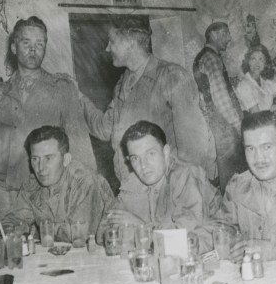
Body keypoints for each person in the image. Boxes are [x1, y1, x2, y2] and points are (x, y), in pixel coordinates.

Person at [0, 16, 96, 227]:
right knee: (7, 252)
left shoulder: (61, 89)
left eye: (39, 44)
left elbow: (80, 144)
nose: (33, 50)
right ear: (13, 47)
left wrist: (87, 192)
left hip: (42, 192)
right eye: (26, 43)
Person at [82, 15, 210, 185]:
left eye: (112, 41)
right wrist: (79, 99)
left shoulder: (172, 76)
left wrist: (174, 190)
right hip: (131, 189)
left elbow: (194, 149)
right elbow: (105, 129)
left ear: (130, 43)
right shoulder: (122, 84)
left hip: (165, 189)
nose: (107, 48)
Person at [97, 121, 221, 251]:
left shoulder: (186, 176)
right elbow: (102, 234)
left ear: (166, 152)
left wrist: (141, 228)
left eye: (150, 154)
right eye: (135, 158)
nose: (143, 166)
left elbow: (184, 239)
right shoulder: (133, 183)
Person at [215, 111, 276, 262]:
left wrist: (270, 251)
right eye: (250, 149)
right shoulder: (238, 187)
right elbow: (221, 227)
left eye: (267, 147)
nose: (258, 158)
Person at [2, 126, 114, 243]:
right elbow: (13, 219)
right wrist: (9, 229)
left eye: (48, 158)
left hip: (95, 252)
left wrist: (36, 232)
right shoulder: (32, 183)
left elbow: (78, 234)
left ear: (66, 159)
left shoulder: (83, 181)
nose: (41, 168)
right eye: (35, 159)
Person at [193, 22, 248, 193]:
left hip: (217, 123)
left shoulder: (201, 57)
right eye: (225, 34)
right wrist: (237, 124)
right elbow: (221, 97)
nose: (229, 38)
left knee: (228, 174)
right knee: (235, 174)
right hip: (226, 124)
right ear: (213, 35)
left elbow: (204, 98)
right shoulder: (212, 58)